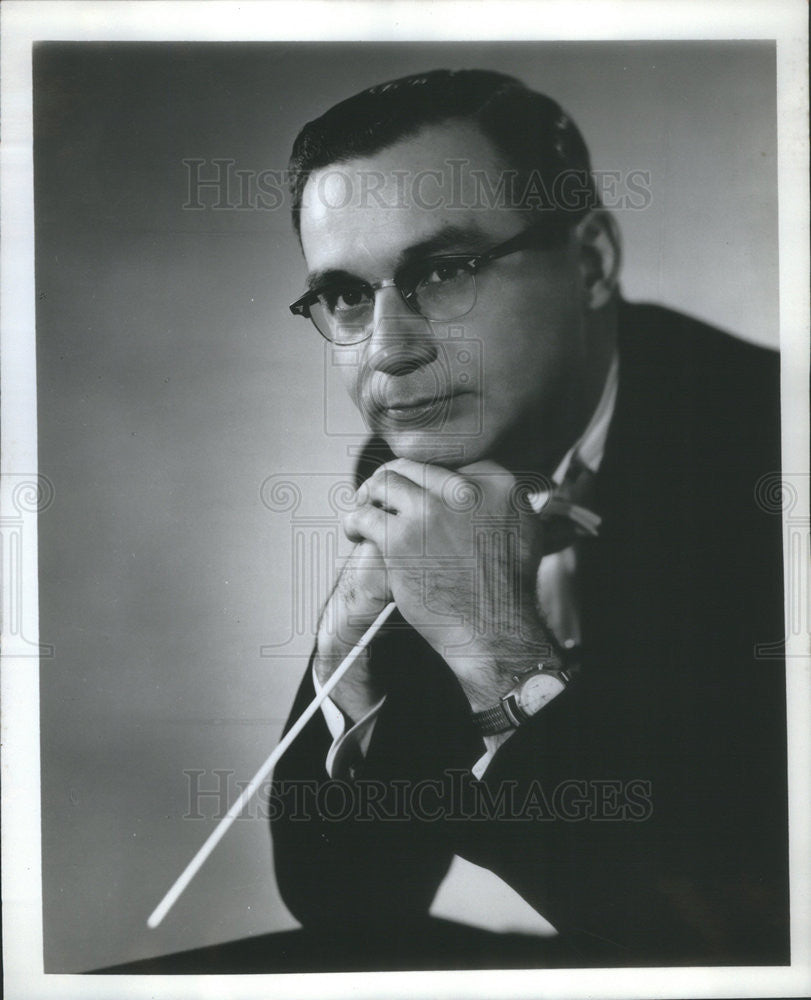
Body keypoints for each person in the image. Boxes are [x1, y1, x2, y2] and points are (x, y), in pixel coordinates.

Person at [270, 69, 788, 967]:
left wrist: (500, 661)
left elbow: (739, 939)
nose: (389, 351)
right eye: (348, 294)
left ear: (588, 262)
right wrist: (352, 691)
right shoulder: (425, 457)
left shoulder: (772, 449)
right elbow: (346, 907)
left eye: (444, 270)